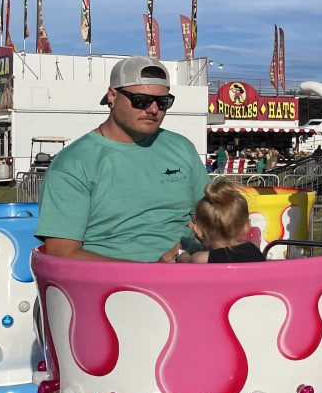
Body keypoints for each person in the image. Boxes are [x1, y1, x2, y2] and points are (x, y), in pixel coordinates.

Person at [36, 56, 208, 262]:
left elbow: (210, 218)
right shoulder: (74, 163)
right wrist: (151, 273)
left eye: (163, 102)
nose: (153, 109)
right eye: (141, 101)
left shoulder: (181, 148)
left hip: (192, 273)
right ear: (112, 96)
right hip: (113, 288)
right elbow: (62, 253)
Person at [177, 179, 266, 264]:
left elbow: (187, 263)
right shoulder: (254, 251)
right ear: (247, 226)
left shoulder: (200, 259)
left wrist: (183, 256)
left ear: (198, 230)